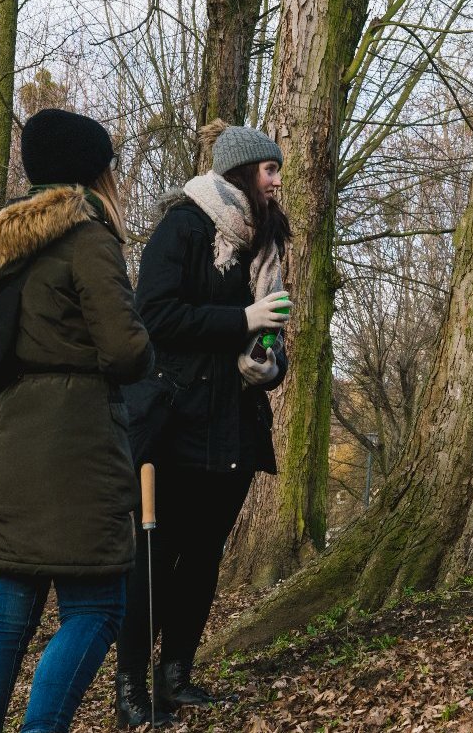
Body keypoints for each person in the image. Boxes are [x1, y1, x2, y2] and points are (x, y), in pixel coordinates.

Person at [0, 108, 155, 733]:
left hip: (4, 438)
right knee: (96, 607)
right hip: (75, 449)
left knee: (5, 624)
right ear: (93, 170)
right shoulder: (89, 237)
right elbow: (124, 348)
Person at [114, 122, 292, 726]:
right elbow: (155, 317)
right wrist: (242, 318)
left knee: (206, 556)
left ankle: (177, 675)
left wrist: (270, 361)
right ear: (242, 171)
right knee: (155, 558)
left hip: (235, 425)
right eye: (268, 170)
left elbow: (268, 332)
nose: (276, 181)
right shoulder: (184, 227)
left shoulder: (265, 244)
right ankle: (130, 687)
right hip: (175, 421)